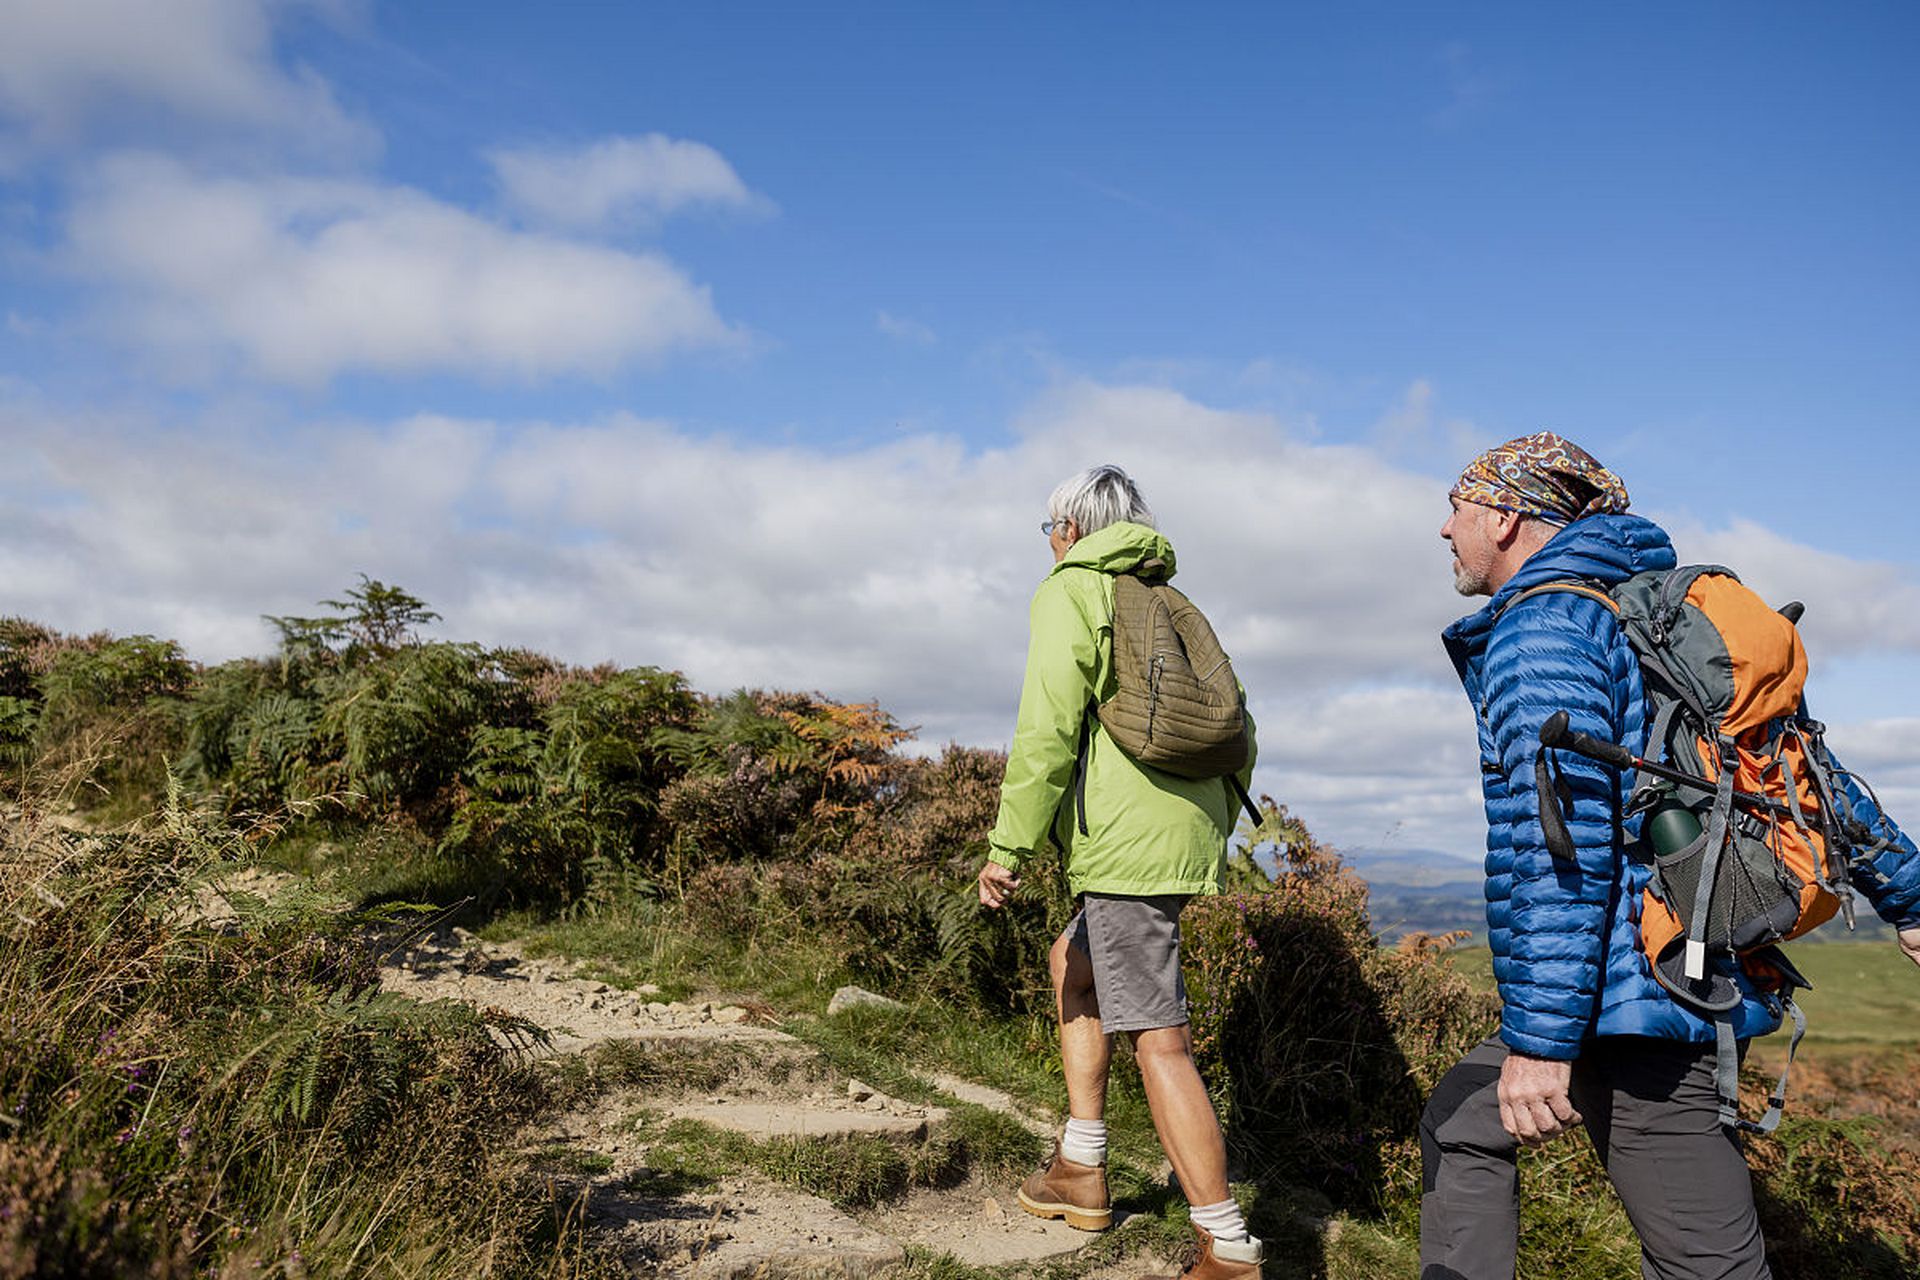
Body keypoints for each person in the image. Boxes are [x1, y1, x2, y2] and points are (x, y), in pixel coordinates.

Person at [1423, 432, 1920, 1280]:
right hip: (1674, 960)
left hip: (1637, 995)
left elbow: (1560, 844)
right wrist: (1907, 895)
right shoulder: (1656, 614)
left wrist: (1542, 1043)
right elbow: (1812, 772)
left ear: (1506, 516)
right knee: (1459, 1120)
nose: (1444, 530)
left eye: (1457, 506)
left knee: (1707, 1262)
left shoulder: (1545, 628)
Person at [977, 464, 1262, 1280]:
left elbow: (1046, 730)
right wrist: (1206, 827)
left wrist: (1009, 848)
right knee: (1073, 965)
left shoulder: (1073, 592)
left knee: (1158, 1038)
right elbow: (1242, 724)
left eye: (1049, 529)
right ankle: (1083, 1165)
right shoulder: (1170, 600)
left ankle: (1227, 1242)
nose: (1050, 543)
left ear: (1070, 528)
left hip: (1126, 847)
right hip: (1178, 835)